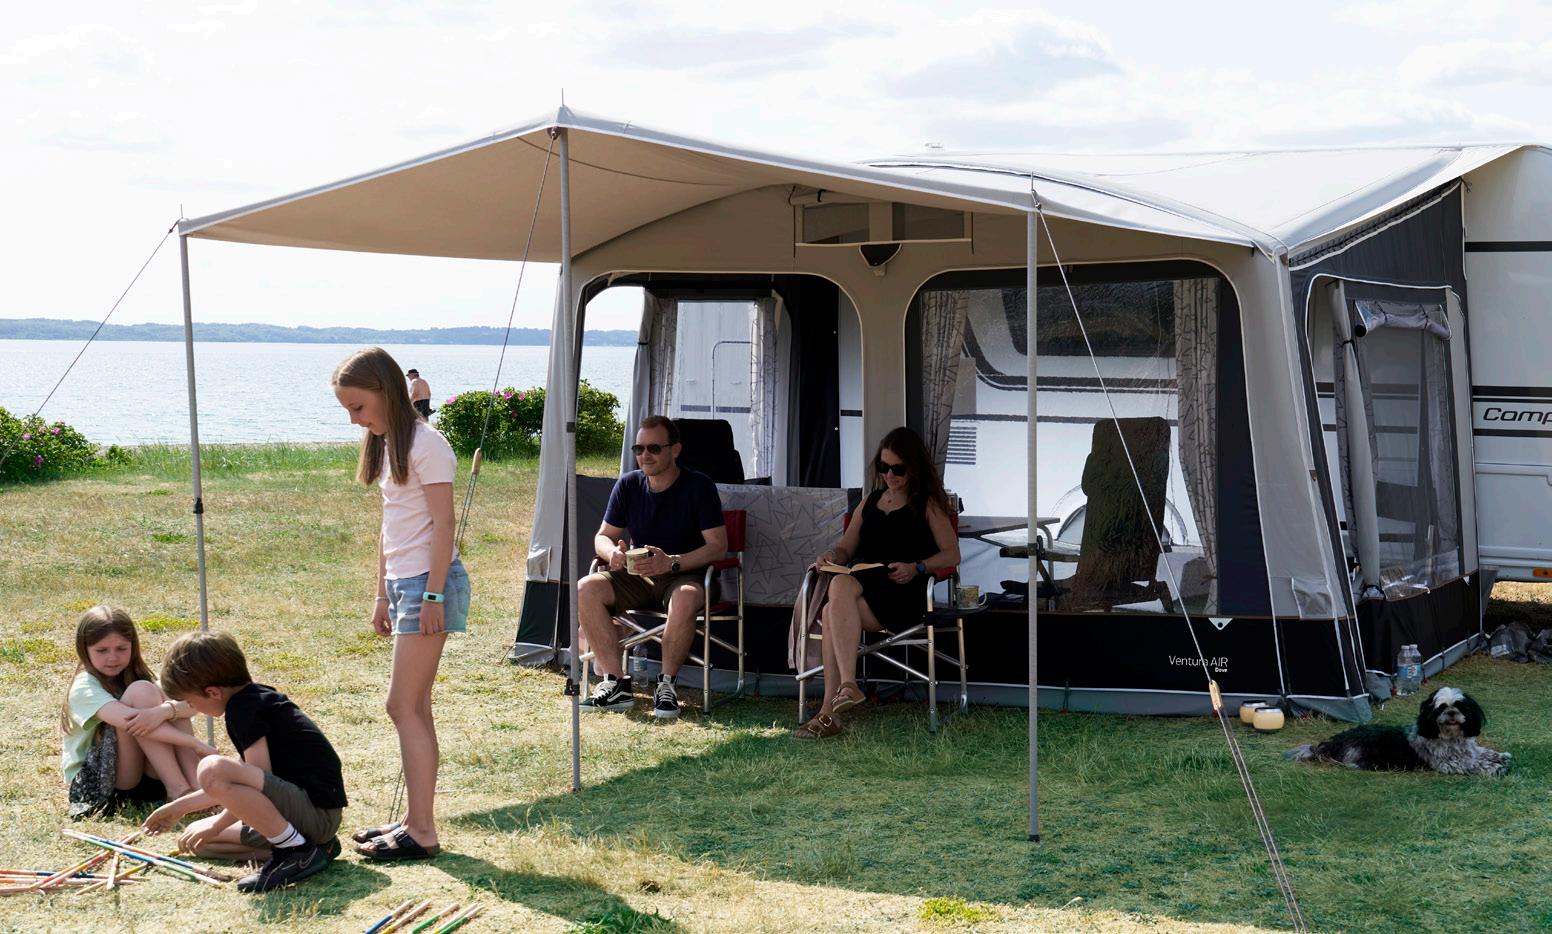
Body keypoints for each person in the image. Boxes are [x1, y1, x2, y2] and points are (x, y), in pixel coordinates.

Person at [332, 347, 469, 860]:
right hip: (404, 584)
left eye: (358, 407)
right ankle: (415, 821)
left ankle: (423, 831)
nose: (354, 420)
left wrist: (431, 594)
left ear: (386, 391)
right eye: (348, 410)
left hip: (428, 584)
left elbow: (444, 525)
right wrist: (379, 594)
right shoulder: (391, 443)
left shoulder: (427, 445)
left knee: (401, 705)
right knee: (415, 706)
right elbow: (390, 529)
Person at [143, 631, 346, 893]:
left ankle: (295, 851)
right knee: (199, 841)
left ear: (213, 692)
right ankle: (315, 850)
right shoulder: (251, 700)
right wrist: (177, 808)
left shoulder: (243, 709)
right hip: (307, 816)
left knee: (211, 768)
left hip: (316, 815)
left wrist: (216, 823)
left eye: (190, 702)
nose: (193, 709)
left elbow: (252, 782)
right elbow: (241, 784)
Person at [794, 426, 959, 739]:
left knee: (832, 607)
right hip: (863, 584)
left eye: (898, 469)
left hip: (902, 590)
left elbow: (952, 554)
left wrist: (917, 566)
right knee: (837, 591)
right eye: (884, 467)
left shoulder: (927, 503)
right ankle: (844, 692)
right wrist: (831, 555)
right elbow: (846, 548)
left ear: (913, 468)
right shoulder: (870, 501)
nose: (890, 475)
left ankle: (831, 708)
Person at [578, 415, 726, 719]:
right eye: (639, 448)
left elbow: (717, 546)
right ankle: (615, 682)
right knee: (585, 588)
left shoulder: (699, 486)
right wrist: (612, 553)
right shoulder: (628, 484)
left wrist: (671, 562)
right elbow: (603, 536)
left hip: (685, 576)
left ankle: (666, 684)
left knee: (684, 598)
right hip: (638, 576)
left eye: (654, 448)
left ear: (675, 450)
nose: (645, 455)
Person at [60, 605, 212, 819]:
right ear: (84, 649)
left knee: (160, 692)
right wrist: (193, 742)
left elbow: (193, 704)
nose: (112, 657)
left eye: (121, 648)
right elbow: (132, 722)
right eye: (102, 650)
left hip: (146, 777)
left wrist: (165, 711)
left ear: (133, 646)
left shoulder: (136, 675)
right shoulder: (83, 686)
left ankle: (196, 787)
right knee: (142, 693)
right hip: (101, 783)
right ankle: (178, 790)